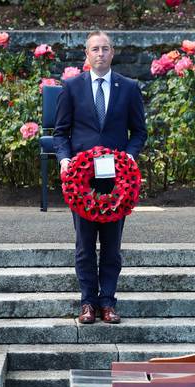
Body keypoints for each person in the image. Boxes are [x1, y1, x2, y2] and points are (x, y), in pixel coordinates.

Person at [53, 31, 148, 324]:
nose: (100, 53)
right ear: (87, 54)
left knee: (111, 246)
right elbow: (60, 133)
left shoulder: (128, 87)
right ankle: (87, 304)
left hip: (117, 180)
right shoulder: (71, 87)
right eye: (95, 49)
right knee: (84, 246)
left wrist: (129, 156)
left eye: (105, 48)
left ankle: (108, 303)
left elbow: (139, 132)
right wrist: (64, 160)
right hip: (81, 180)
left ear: (113, 53)